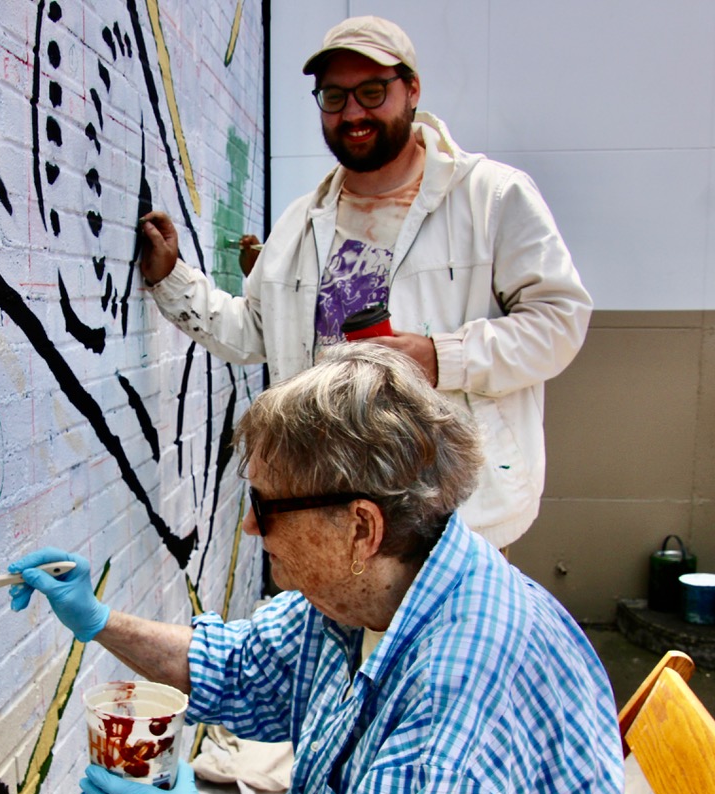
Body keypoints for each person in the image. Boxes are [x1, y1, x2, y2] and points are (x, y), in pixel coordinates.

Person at [9, 345, 630, 794]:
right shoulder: (364, 595)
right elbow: (242, 667)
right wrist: (97, 620)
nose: (250, 530)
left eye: (266, 507)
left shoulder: (465, 685)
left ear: (360, 528)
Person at [139, 16, 592, 550]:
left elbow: (559, 323)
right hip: (334, 519)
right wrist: (172, 279)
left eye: (372, 91)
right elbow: (252, 331)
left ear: (411, 90)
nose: (353, 112)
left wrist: (439, 356)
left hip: (451, 520)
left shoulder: (490, 198)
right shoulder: (299, 224)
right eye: (334, 97)